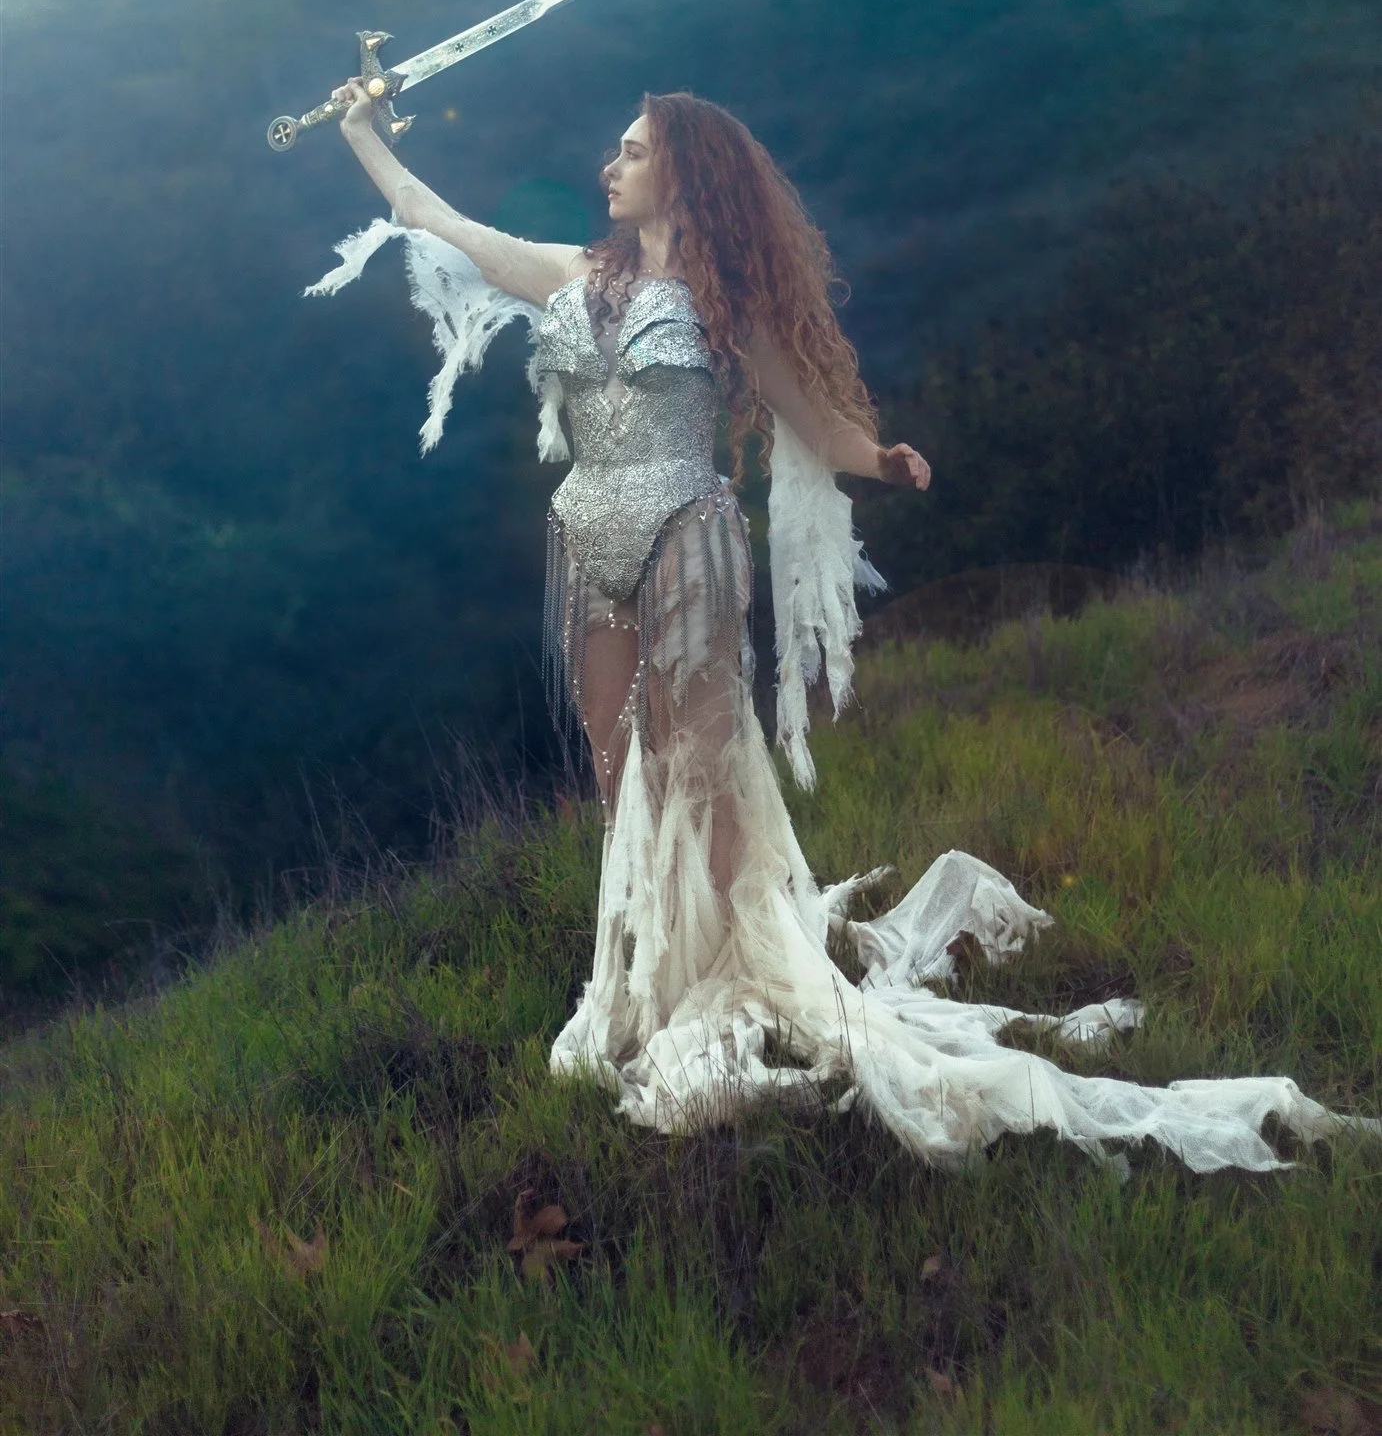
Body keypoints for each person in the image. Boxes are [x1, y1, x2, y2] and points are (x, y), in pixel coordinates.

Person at [311, 82, 1379, 1175]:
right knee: (615, 758)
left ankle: (751, 960)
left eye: (631, 151)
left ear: (682, 172)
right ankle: (653, 965)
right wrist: (359, 133)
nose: (609, 165)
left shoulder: (725, 305)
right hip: (588, 536)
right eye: (614, 151)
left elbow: (809, 419)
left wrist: (877, 457)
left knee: (702, 755)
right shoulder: (577, 273)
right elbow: (443, 225)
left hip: (688, 529)